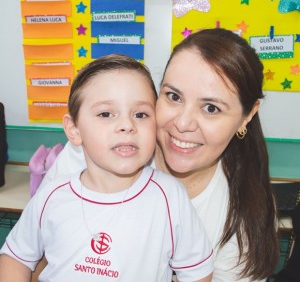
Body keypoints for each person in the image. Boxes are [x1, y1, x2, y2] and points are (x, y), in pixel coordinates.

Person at [7, 28, 279, 281]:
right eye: (173, 96)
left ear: (248, 115)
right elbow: (32, 259)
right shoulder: (87, 156)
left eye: (211, 108)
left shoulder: (238, 212)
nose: (183, 124)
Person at [0, 54, 213, 282]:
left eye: (140, 114)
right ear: (74, 130)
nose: (126, 125)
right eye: (105, 114)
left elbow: (197, 274)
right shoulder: (52, 194)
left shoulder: (170, 198)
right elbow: (16, 257)